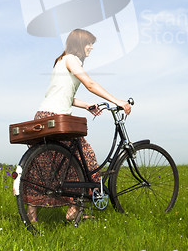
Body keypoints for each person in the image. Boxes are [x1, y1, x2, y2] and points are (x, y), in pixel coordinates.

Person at [26, 28, 131, 223]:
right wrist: (117, 101)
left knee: (44, 165)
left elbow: (63, 96)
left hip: (42, 116)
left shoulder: (60, 61)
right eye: (89, 43)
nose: (91, 47)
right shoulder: (71, 58)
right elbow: (90, 84)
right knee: (86, 158)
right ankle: (74, 210)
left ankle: (31, 215)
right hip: (58, 118)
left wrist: (86, 105)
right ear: (79, 44)